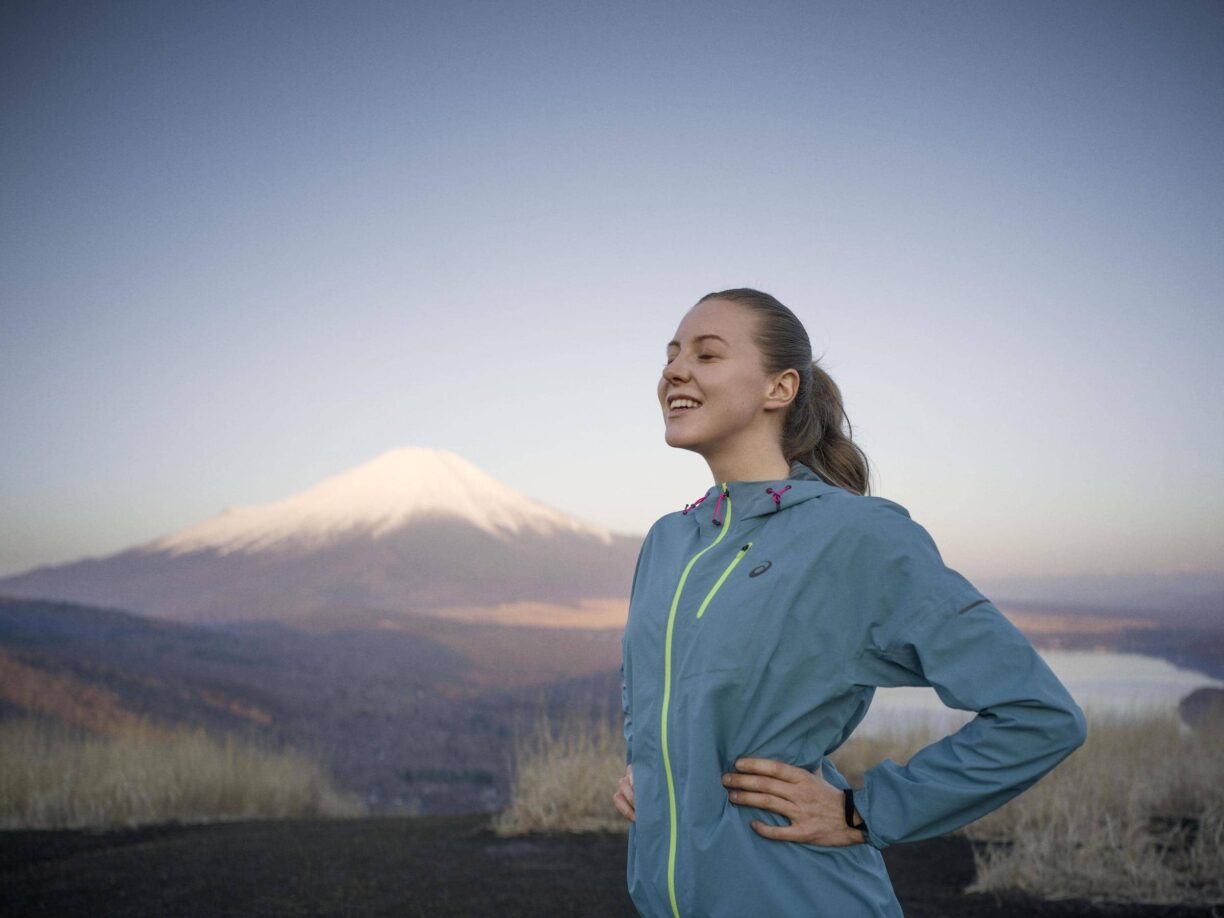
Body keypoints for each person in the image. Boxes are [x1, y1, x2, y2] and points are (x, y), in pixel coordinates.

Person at [610, 288, 1088, 917]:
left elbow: (1038, 715)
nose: (674, 370)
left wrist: (862, 811)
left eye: (707, 354)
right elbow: (654, 691)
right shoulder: (670, 540)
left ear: (779, 389)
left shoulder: (859, 537)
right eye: (671, 355)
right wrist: (655, 766)